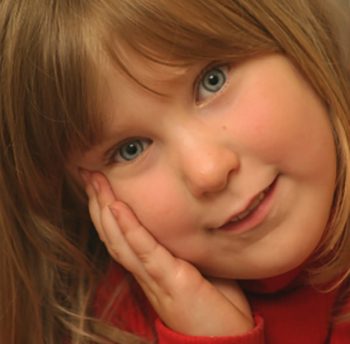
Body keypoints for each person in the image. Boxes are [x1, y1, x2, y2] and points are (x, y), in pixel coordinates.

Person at [0, 0, 349, 343]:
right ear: (78, 196)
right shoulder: (105, 324)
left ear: (294, 38)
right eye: (130, 149)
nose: (207, 172)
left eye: (212, 81)